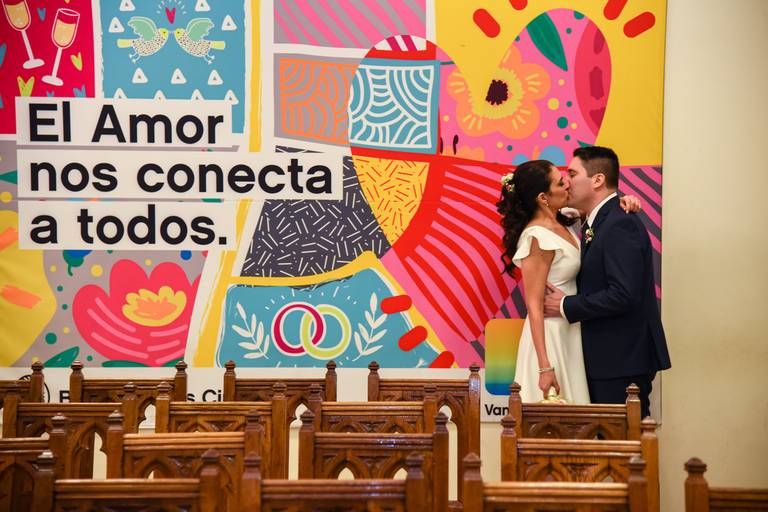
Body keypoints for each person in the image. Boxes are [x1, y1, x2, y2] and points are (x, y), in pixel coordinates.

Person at [543, 146, 671, 417]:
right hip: (609, 359)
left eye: (572, 174)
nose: (566, 181)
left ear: (598, 180)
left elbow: (624, 294)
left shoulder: (619, 223)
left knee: (623, 438)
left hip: (621, 359)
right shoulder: (598, 220)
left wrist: (565, 305)